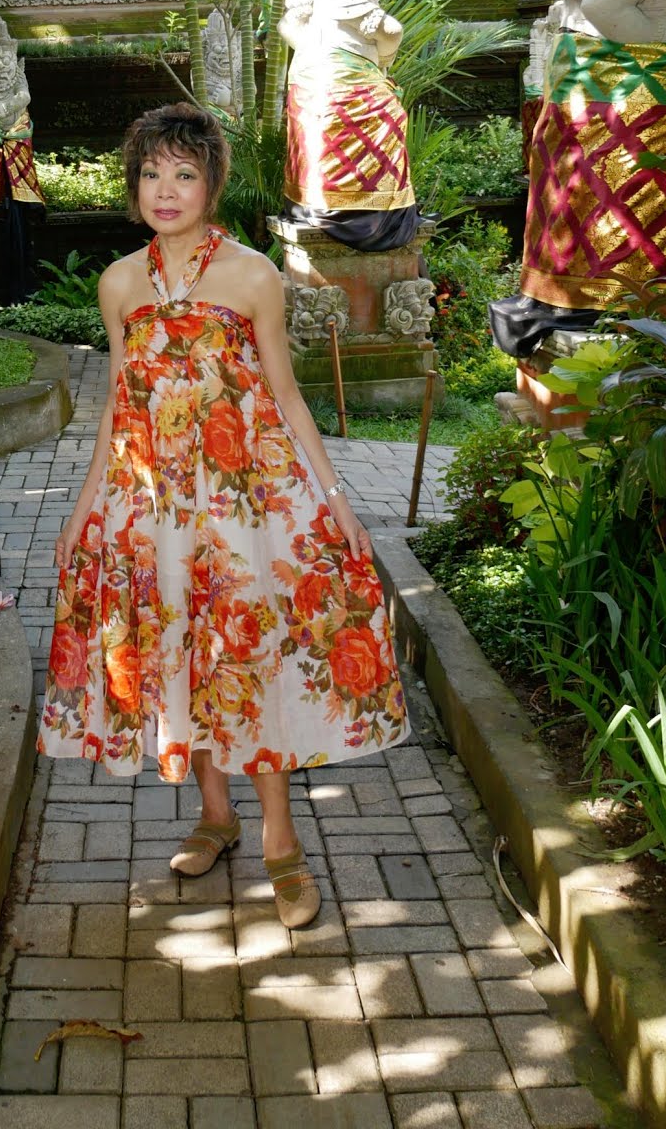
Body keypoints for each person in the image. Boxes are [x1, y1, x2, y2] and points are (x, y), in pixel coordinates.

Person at [37, 102, 413, 931]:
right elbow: (117, 407)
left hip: (245, 504)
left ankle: (282, 843)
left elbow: (283, 394)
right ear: (134, 188)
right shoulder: (120, 284)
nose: (165, 191)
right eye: (150, 174)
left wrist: (338, 502)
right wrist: (86, 503)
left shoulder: (251, 275)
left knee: (248, 653)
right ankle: (216, 816)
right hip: (150, 505)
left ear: (211, 186)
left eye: (184, 174)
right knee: (179, 648)